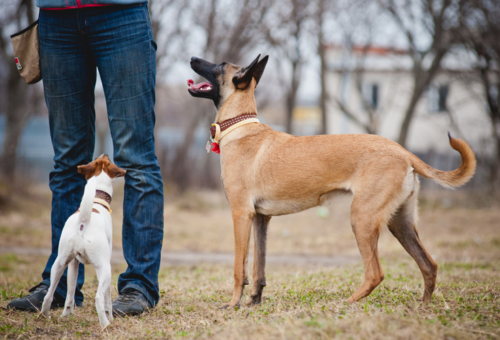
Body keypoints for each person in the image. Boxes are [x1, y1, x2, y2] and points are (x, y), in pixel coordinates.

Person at [7, 0, 164, 316]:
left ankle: (139, 287)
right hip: (56, 17)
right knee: (67, 161)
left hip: (122, 13)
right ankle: (59, 284)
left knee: (135, 160)